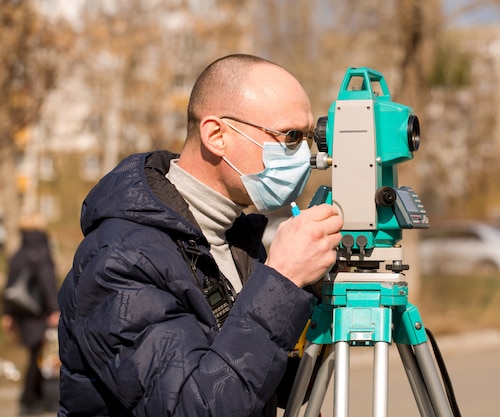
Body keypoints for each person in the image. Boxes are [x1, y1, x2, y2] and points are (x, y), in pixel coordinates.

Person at [57, 54, 343, 417]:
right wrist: (283, 278)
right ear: (216, 134)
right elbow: (192, 407)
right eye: (290, 137)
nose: (305, 155)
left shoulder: (232, 239)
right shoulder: (121, 257)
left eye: (307, 138)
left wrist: (318, 299)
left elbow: (266, 384)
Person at [2, 215, 60, 415]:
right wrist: (54, 309)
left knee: (36, 355)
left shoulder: (18, 253)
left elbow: (10, 285)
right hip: (39, 314)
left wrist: (7, 314)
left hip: (22, 313)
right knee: (39, 356)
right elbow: (47, 283)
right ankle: (29, 400)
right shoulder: (42, 253)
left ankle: (35, 398)